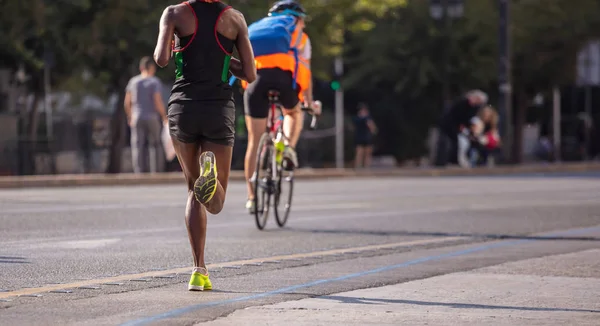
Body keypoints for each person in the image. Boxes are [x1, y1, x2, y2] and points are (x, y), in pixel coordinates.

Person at [153, 0, 256, 291]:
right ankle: (209, 176)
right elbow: (250, 73)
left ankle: (199, 269)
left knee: (192, 190)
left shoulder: (174, 13)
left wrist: (175, 42)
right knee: (216, 202)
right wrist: (223, 59)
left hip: (182, 109)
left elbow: (161, 59)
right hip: (218, 110)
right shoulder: (234, 19)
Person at [241, 1, 321, 213]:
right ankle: (287, 148)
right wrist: (309, 102)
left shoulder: (255, 28)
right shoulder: (299, 35)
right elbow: (305, 70)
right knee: (293, 112)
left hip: (255, 82)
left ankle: (251, 197)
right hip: (284, 80)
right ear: (298, 18)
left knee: (253, 141)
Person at [124, 56, 167, 174]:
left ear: (141, 68)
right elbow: (157, 100)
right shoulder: (154, 81)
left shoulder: (133, 81)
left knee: (137, 145)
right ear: (152, 68)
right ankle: (156, 171)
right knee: (156, 144)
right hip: (152, 117)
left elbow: (127, 102)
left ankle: (139, 172)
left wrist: (130, 116)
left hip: (137, 116)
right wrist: (164, 116)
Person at [435, 89, 488, 166]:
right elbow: (456, 116)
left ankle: (470, 160)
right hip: (451, 125)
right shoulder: (462, 103)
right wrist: (462, 126)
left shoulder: (474, 107)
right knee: (454, 142)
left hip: (459, 126)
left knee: (468, 142)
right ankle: (451, 160)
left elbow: (468, 119)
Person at [353, 103, 377, 169]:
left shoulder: (356, 118)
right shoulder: (367, 118)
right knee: (366, 154)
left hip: (359, 137)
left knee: (359, 153)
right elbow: (371, 126)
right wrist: (374, 131)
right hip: (366, 137)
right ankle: (366, 167)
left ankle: (359, 166)